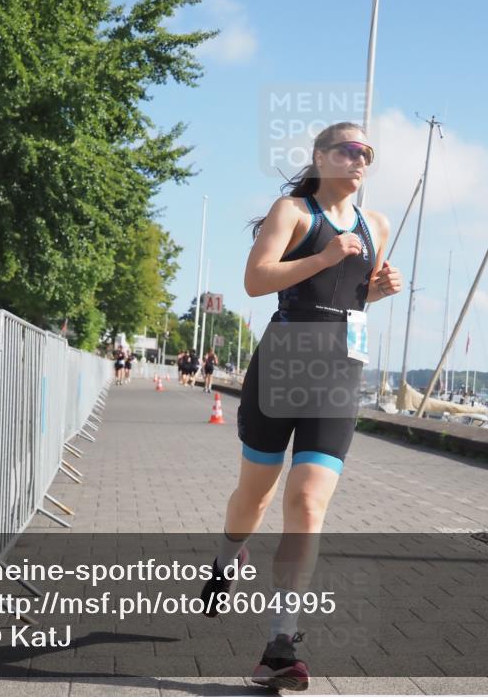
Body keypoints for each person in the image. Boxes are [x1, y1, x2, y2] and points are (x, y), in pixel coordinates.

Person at [198, 122, 402, 689]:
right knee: (255, 496)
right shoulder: (292, 212)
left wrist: (378, 290)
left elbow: (354, 296)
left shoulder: (376, 224)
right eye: (349, 149)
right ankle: (227, 558)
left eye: (367, 153)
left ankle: (280, 645)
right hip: (283, 363)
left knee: (308, 502)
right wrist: (326, 255)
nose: (360, 160)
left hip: (339, 372)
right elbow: (255, 280)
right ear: (321, 156)